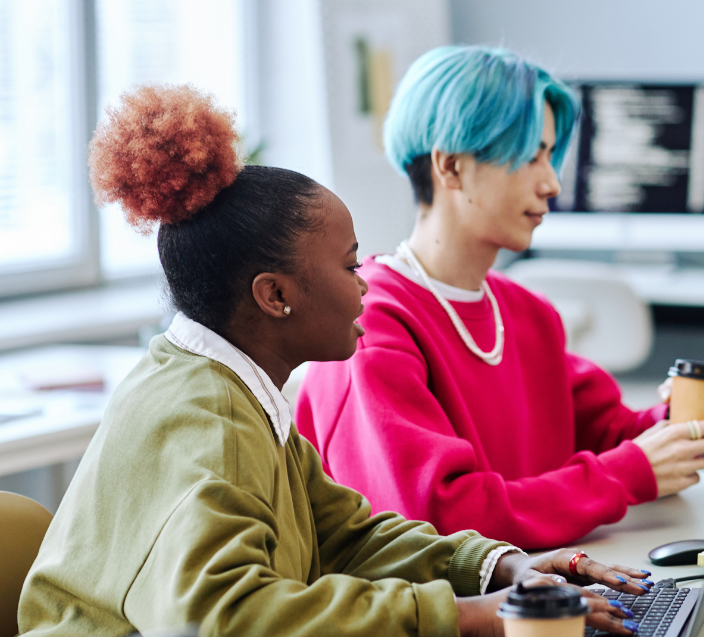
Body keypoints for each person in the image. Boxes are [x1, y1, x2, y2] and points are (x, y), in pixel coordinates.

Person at [18, 85, 648, 637]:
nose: (364, 285)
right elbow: (229, 618)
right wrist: (469, 616)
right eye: (349, 266)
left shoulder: (234, 388)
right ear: (275, 296)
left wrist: (500, 568)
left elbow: (345, 534)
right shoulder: (208, 420)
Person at [296, 46, 704, 551]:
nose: (552, 182)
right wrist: (629, 473)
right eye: (531, 156)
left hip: (534, 590)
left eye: (550, 157)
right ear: (451, 167)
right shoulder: (371, 324)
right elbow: (440, 522)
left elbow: (607, 433)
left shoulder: (526, 313)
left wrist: (675, 425)